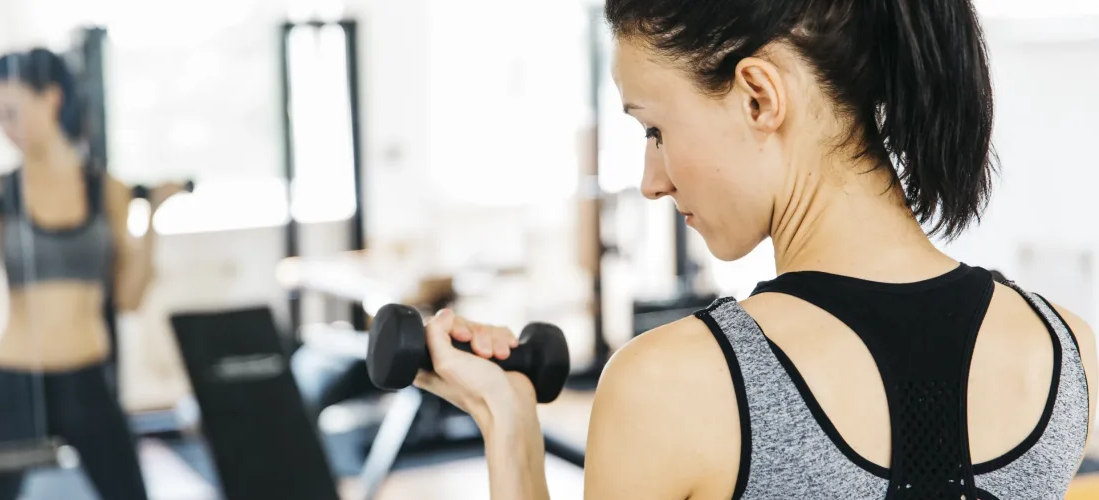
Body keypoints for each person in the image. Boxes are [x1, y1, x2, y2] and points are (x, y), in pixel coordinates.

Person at [413, 1, 1098, 499]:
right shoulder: (1070, 352)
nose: (652, 181)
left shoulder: (668, 385)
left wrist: (508, 428)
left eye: (653, 129)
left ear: (758, 96)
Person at [0, 48, 179, 500]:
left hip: (86, 377)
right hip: (12, 379)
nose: (5, 128)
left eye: (12, 112)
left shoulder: (106, 190)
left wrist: (152, 219)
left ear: (52, 99)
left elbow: (129, 298)